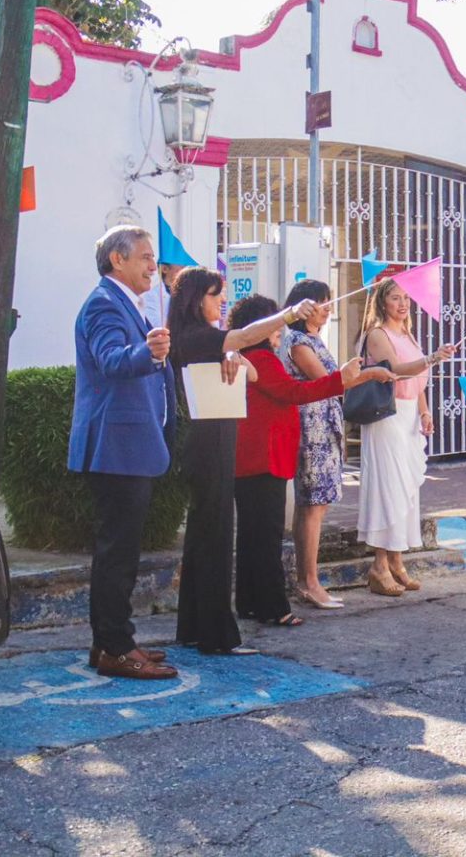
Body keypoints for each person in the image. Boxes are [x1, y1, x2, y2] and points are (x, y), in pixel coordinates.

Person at [165, 269, 318, 655]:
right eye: (215, 294)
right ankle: (216, 636)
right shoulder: (196, 335)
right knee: (215, 541)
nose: (222, 302)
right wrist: (288, 314)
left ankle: (195, 629)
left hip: (209, 441)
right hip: (210, 442)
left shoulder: (197, 337)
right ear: (196, 299)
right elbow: (246, 336)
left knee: (204, 539)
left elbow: (237, 351)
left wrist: (232, 352)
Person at [229, 293, 394, 625]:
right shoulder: (262, 359)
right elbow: (297, 392)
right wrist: (342, 379)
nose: (279, 330)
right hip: (265, 456)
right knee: (266, 536)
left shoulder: (256, 358)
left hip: (256, 456)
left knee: (252, 535)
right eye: (273, 323)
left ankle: (250, 602)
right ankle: (273, 608)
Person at [67, 225, 179, 680]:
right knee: (118, 552)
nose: (154, 265)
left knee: (122, 550)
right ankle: (115, 648)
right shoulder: (103, 303)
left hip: (130, 445)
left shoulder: (124, 303)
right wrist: (148, 352)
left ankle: (111, 641)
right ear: (118, 259)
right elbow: (112, 360)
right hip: (117, 446)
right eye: (146, 257)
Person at [356, 278, 455, 597]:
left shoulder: (408, 334)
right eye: (395, 298)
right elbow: (397, 370)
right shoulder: (377, 334)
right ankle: (379, 566)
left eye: (405, 298)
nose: (402, 304)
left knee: (406, 490)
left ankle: (397, 561)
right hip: (387, 414)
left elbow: (418, 380)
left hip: (410, 413)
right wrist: (433, 358)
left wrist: (425, 411)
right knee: (389, 487)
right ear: (383, 302)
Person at [281, 279, 350, 609]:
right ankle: (308, 581)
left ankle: (308, 579)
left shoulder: (313, 339)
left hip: (325, 427)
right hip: (312, 431)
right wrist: (353, 376)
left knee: (315, 505)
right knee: (312, 505)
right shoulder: (297, 342)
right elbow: (325, 381)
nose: (328, 309)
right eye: (322, 302)